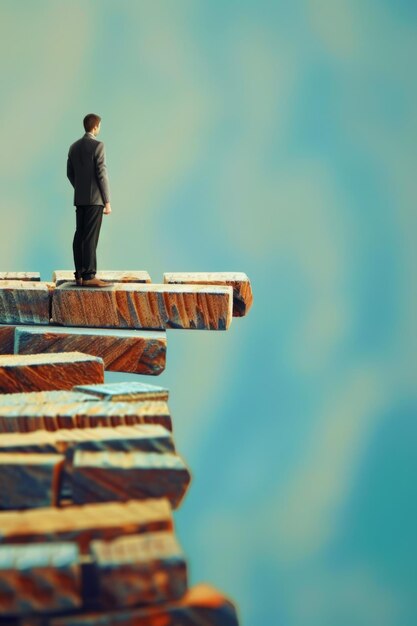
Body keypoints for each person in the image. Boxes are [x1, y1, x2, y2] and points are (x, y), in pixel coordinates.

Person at [67, 113, 112, 287]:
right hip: (95, 199)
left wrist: (79, 188)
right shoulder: (98, 146)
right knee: (91, 237)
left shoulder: (73, 147)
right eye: (99, 126)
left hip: (80, 198)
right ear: (95, 127)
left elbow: (69, 173)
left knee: (80, 235)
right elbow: (102, 174)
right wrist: (107, 201)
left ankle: (79, 273)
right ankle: (89, 275)